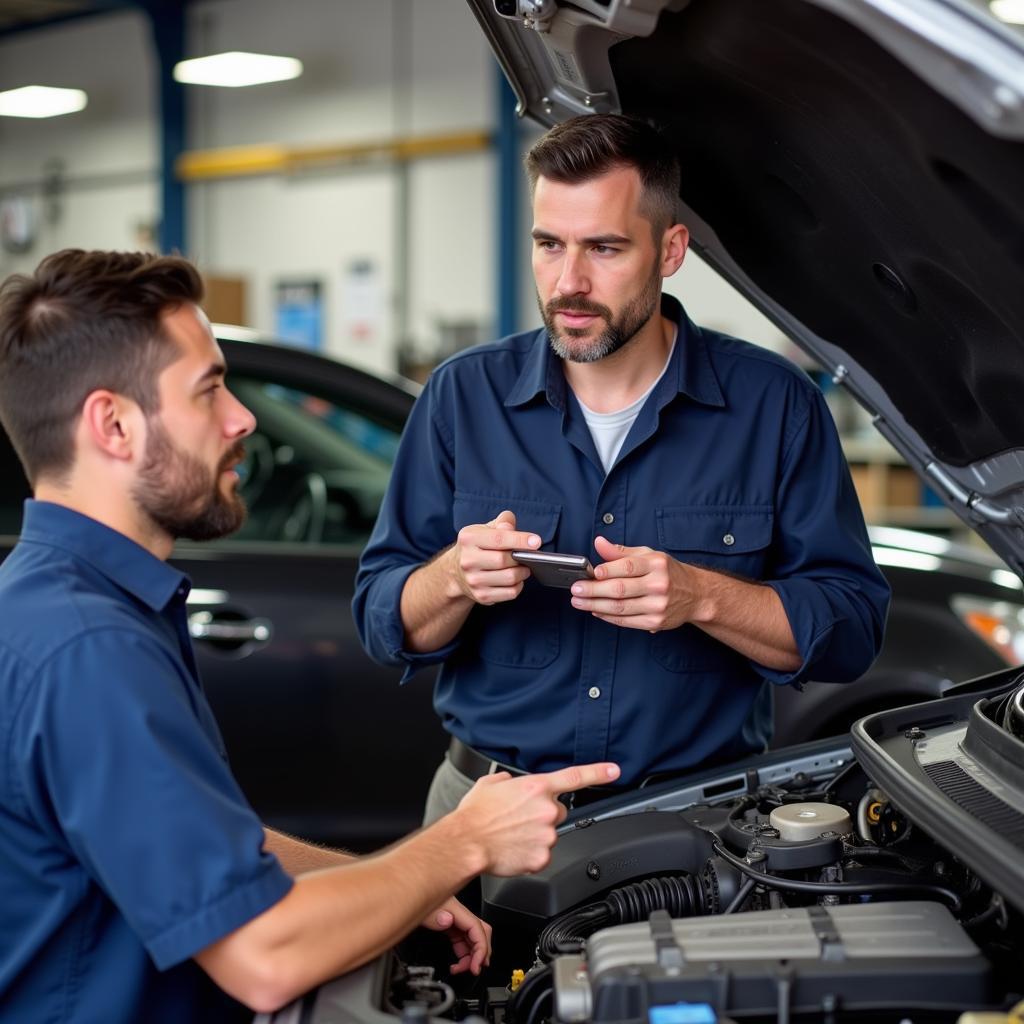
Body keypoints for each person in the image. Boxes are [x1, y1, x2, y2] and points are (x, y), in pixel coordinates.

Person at [0, 248, 620, 1024]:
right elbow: (263, 956)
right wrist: (462, 843)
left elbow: (212, 844)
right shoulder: (86, 650)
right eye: (209, 390)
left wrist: (399, 886)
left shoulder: (68, 603)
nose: (244, 419)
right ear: (114, 425)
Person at [353, 113, 891, 824]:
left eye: (604, 248)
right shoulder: (463, 396)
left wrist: (704, 597)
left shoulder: (775, 406)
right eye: (549, 245)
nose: (568, 283)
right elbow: (381, 618)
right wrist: (453, 577)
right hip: (482, 813)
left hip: (693, 829)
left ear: (670, 251)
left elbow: (850, 631)